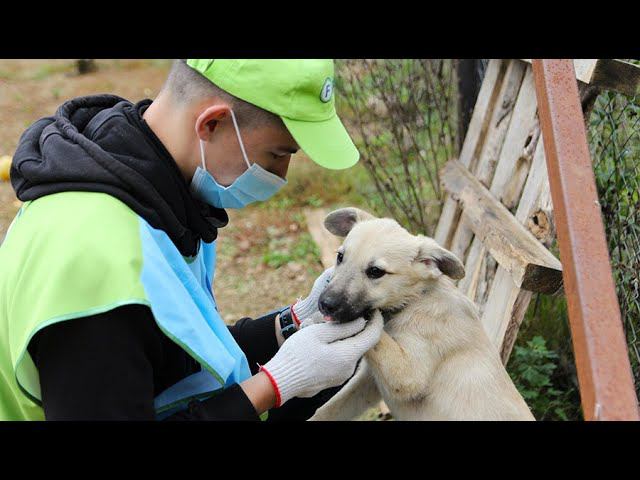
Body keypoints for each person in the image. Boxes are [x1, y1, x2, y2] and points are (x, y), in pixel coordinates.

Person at [0, 59, 384, 421]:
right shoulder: (95, 264)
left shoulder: (154, 198)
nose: (281, 175)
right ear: (212, 123)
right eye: (277, 154)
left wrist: (290, 322)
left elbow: (174, 357)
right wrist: (275, 385)